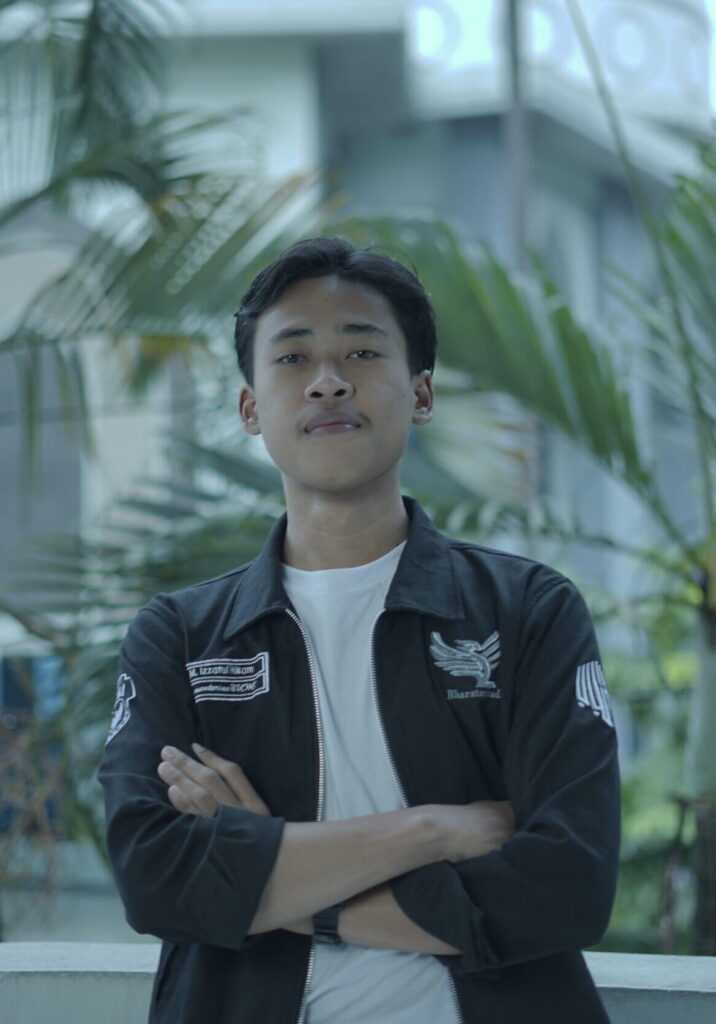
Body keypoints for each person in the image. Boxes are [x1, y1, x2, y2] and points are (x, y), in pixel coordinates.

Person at [98, 236, 620, 1024]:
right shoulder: (180, 636)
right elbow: (157, 880)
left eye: (363, 352)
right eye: (292, 358)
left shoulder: (528, 612)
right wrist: (430, 830)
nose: (328, 382)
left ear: (421, 393)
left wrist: (265, 872)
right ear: (250, 408)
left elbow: (568, 888)